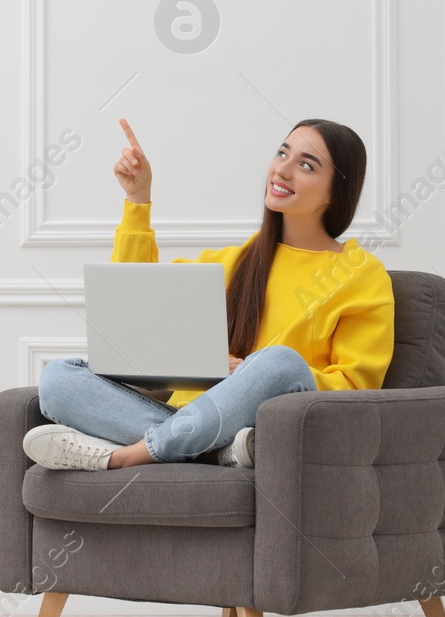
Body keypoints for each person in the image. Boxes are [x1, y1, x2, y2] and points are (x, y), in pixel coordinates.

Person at [24, 116, 394, 471]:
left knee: (280, 362)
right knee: (58, 377)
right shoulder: (233, 262)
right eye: (282, 153)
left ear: (337, 191)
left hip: (268, 416)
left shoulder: (361, 273)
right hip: (192, 419)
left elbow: (353, 389)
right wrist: (138, 199)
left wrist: (248, 371)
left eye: (307, 165)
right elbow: (136, 301)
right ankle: (214, 454)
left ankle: (128, 455)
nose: (282, 169)